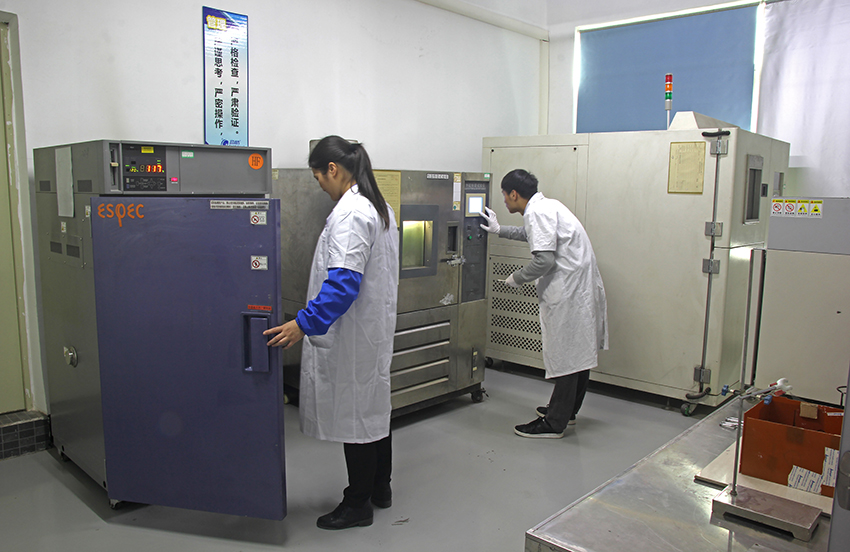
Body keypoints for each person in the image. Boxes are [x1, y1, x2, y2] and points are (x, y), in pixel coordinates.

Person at [264, 135, 399, 529]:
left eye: (319, 178)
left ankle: (357, 504)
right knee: (373, 409)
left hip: (354, 335)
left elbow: (342, 285)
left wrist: (302, 324)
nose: (321, 186)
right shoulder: (379, 207)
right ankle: (381, 488)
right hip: (370, 331)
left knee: (356, 417)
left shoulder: (352, 214)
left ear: (333, 170)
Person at [480, 169, 608, 438]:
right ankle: (568, 411)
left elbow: (544, 260)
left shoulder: (537, 212)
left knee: (567, 355)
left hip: (568, 290)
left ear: (514, 194)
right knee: (578, 353)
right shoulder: (548, 206)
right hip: (579, 287)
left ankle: (554, 423)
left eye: (504, 195)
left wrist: (517, 278)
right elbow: (533, 234)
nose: (504, 200)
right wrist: (500, 230)